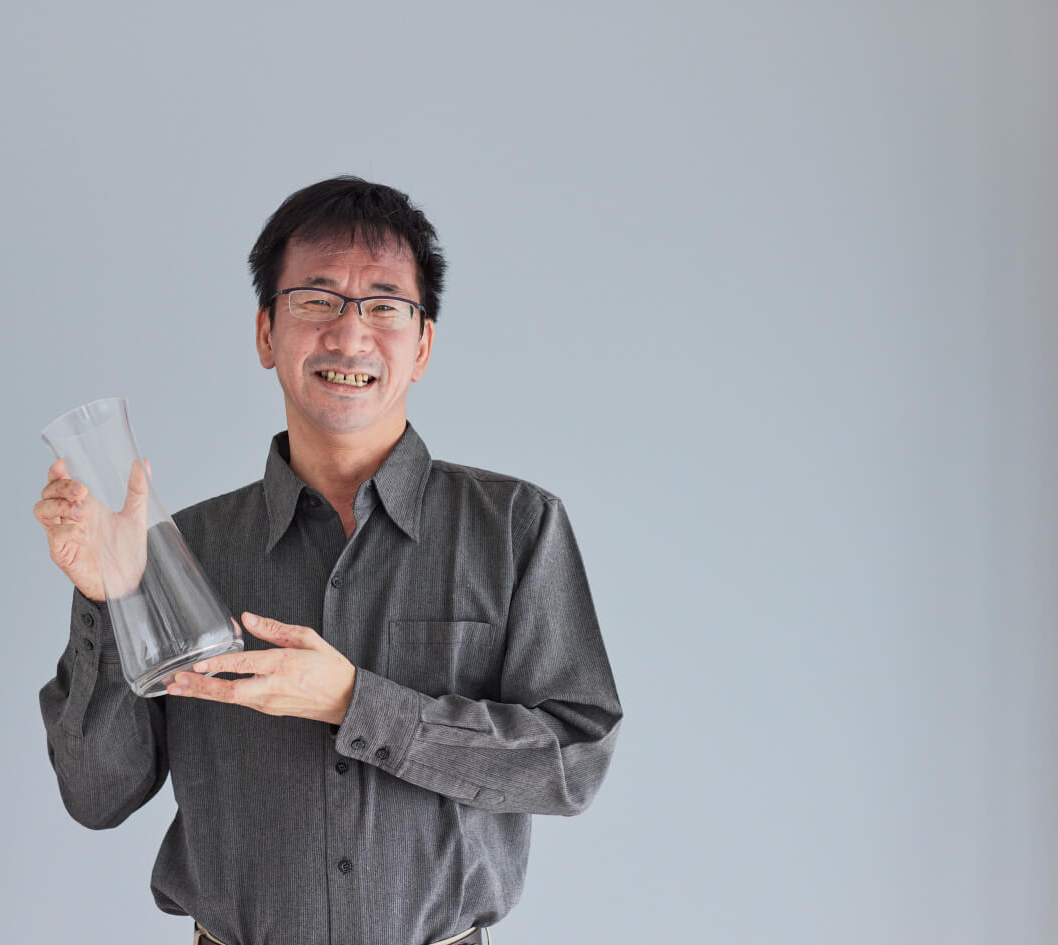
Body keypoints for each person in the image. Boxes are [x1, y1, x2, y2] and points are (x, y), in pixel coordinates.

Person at [35, 177, 622, 945]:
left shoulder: (515, 527)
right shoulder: (185, 550)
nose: (349, 335)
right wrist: (111, 598)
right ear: (265, 333)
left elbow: (572, 762)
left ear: (423, 344)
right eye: (316, 299)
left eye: (384, 305)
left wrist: (356, 702)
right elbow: (96, 795)